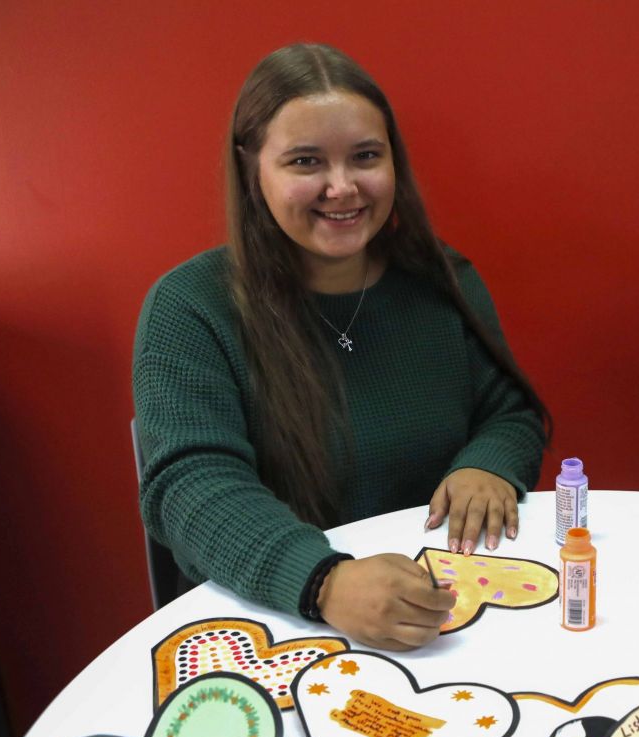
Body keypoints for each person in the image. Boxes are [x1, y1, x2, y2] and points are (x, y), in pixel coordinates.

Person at [133, 43, 549, 650]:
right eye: (305, 162)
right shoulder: (189, 306)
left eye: (365, 157)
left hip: (443, 611)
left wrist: (489, 462)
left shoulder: (446, 280)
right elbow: (192, 485)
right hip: (280, 616)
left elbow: (510, 413)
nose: (342, 187)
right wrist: (325, 583)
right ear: (252, 169)